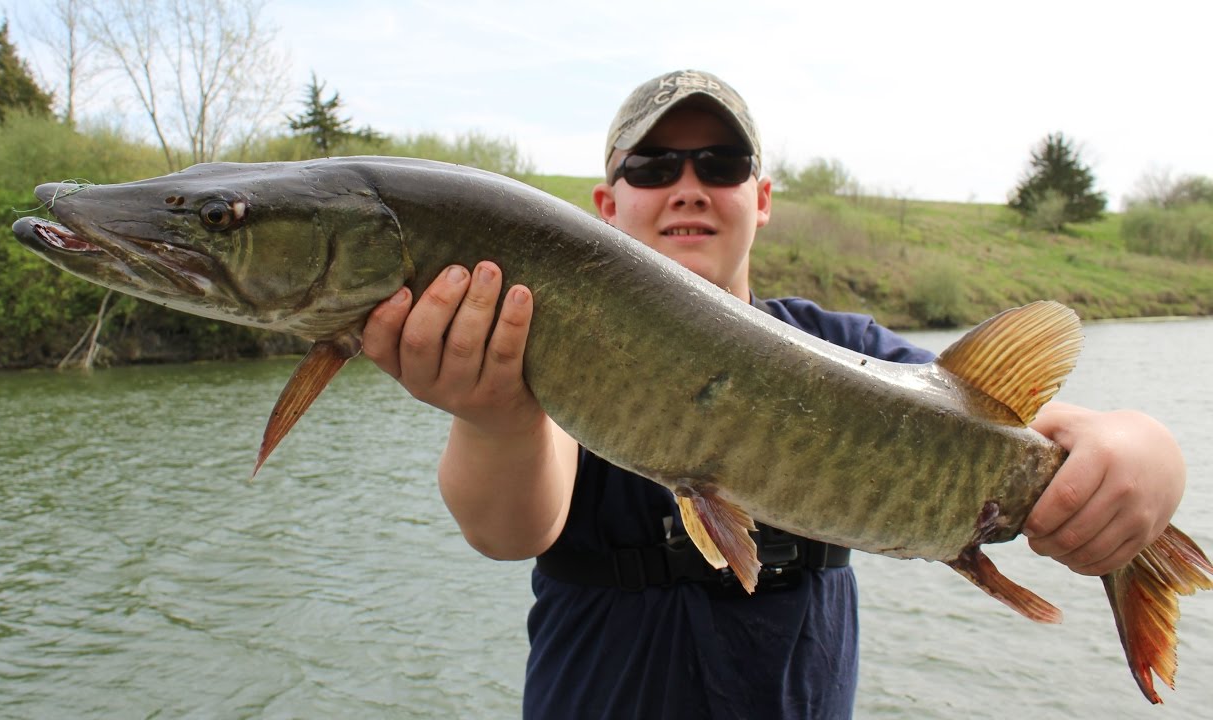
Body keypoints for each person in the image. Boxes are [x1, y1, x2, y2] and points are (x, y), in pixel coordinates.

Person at [360, 69, 1186, 719]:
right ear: (607, 207)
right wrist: (494, 418)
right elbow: (508, 529)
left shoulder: (846, 348)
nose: (687, 185)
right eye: (652, 166)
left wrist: (1141, 454)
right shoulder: (551, 343)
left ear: (760, 199)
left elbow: (1006, 419)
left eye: (720, 165)